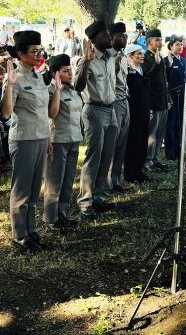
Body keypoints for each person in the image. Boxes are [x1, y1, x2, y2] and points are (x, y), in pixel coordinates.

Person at [1, 31, 52, 253]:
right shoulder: (15, 78)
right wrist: (9, 86)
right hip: (23, 140)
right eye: (34, 51)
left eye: (41, 50)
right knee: (22, 190)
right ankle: (19, 236)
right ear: (21, 54)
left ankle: (31, 232)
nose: (39, 54)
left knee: (33, 189)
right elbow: (5, 113)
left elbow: (43, 112)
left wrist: (48, 137)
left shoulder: (37, 76)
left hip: (40, 137)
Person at [74, 21, 118, 219]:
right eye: (103, 35)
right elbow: (77, 85)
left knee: (107, 157)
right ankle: (85, 201)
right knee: (93, 157)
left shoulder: (110, 57)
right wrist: (87, 62)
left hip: (111, 110)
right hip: (94, 111)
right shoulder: (88, 60)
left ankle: (98, 196)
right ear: (92, 40)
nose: (109, 37)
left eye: (108, 34)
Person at [45, 54, 82, 230]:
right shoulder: (50, 91)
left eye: (70, 70)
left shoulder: (73, 90)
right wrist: (58, 90)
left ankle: (63, 214)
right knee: (55, 181)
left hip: (74, 138)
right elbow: (51, 115)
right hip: (58, 140)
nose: (70, 73)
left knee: (68, 180)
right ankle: (52, 218)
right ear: (55, 74)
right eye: (65, 71)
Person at [107, 22, 130, 194]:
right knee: (111, 145)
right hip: (113, 102)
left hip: (124, 101)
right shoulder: (108, 56)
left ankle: (116, 179)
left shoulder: (123, 57)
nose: (124, 38)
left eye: (125, 35)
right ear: (111, 37)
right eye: (121, 35)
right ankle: (106, 182)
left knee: (122, 144)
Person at [143, 28, 170, 172]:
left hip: (163, 99)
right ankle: (148, 160)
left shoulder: (159, 56)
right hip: (153, 101)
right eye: (157, 40)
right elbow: (147, 77)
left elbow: (164, 80)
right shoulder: (146, 57)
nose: (160, 42)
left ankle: (154, 158)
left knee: (160, 133)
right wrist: (156, 63)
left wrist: (168, 97)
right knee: (151, 133)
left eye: (161, 39)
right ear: (149, 42)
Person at [124, 44, 151, 183]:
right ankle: (130, 174)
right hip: (133, 112)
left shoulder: (142, 69)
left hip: (144, 110)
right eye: (138, 54)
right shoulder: (127, 72)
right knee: (133, 142)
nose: (142, 56)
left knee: (142, 141)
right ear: (130, 56)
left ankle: (139, 171)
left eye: (142, 53)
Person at [165, 35, 185, 161]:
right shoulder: (166, 60)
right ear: (171, 46)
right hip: (172, 97)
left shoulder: (183, 60)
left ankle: (179, 149)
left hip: (182, 95)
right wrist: (170, 65)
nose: (180, 47)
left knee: (180, 123)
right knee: (170, 125)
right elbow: (165, 79)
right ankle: (170, 152)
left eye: (181, 44)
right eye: (177, 44)